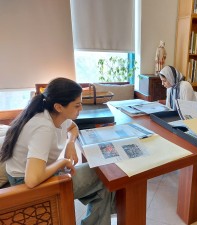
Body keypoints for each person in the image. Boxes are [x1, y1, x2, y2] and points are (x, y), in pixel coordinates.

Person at [0, 78, 115, 225]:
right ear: (59, 106)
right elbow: (32, 180)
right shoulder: (43, 128)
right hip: (24, 185)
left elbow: (73, 127)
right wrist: (62, 162)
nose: (81, 109)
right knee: (102, 174)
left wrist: (71, 143)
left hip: (30, 176)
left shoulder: (54, 115)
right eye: (77, 105)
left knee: (102, 181)